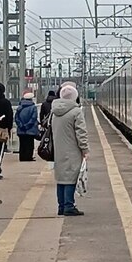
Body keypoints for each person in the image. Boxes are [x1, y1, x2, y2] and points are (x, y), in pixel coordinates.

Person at [52, 84, 88, 216]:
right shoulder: (76, 111)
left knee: (61, 178)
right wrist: (84, 149)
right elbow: (81, 132)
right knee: (71, 178)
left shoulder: (54, 111)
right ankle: (69, 205)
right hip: (72, 149)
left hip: (58, 149)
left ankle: (61, 206)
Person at [15, 91, 39, 161]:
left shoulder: (19, 107)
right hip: (30, 129)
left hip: (21, 130)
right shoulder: (33, 107)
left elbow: (16, 118)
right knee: (30, 144)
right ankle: (28, 157)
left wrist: (21, 125)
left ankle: (22, 157)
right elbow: (33, 118)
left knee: (22, 144)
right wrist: (27, 126)